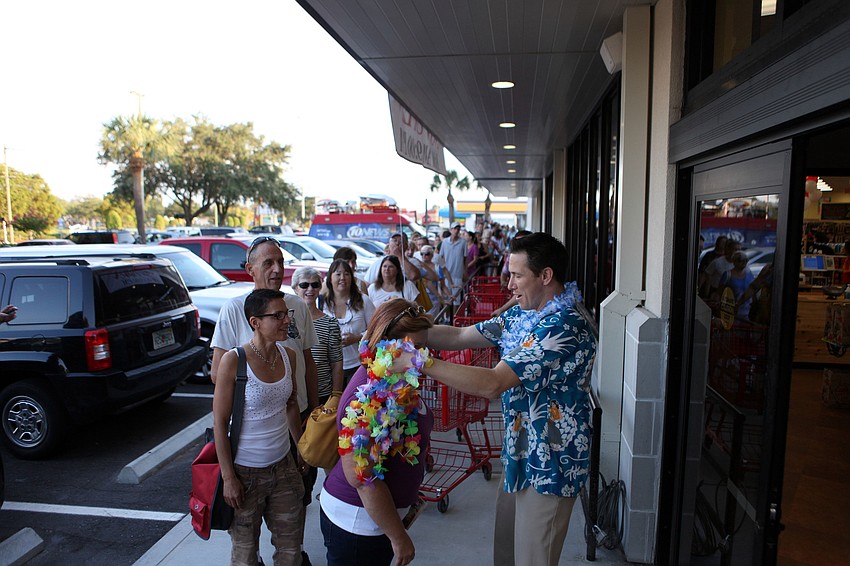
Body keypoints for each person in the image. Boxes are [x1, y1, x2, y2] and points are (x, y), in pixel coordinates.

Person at [393, 232, 597, 566]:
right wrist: (407, 331)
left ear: (545, 276)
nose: (509, 285)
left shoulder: (563, 325)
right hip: (520, 452)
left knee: (533, 559)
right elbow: (460, 335)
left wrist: (420, 362)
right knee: (506, 553)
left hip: (551, 464)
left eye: (517, 275)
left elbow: (493, 383)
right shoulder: (522, 313)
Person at [210, 236, 320, 566]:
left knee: (291, 533)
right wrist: (246, 375)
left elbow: (308, 363)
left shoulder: (295, 309)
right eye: (268, 263)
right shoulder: (234, 312)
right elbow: (219, 389)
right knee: (244, 549)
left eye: (281, 262)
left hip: (290, 435)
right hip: (246, 449)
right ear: (250, 269)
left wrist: (310, 419)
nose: (276, 269)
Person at [319, 298, 436, 566]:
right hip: (357, 527)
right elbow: (360, 476)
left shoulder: (395, 375)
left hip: (375, 523)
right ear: (387, 344)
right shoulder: (367, 397)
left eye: (423, 346)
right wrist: (398, 537)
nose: (423, 356)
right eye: (415, 348)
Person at [292, 267, 344, 406]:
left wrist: (335, 398)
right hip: (294, 396)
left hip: (322, 396)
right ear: (295, 288)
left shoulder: (330, 323)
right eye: (304, 285)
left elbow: (337, 363)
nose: (310, 289)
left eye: (315, 285)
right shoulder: (286, 322)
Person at [323, 259, 376, 385]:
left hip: (358, 365)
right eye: (338, 274)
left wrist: (357, 338)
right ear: (330, 279)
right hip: (329, 367)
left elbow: (377, 329)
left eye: (347, 274)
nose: (342, 278)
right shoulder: (322, 303)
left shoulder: (363, 300)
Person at [719, 250, 755, 321]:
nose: (744, 262)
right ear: (734, 261)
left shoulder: (749, 274)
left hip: (748, 312)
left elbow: (753, 290)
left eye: (746, 260)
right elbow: (720, 292)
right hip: (731, 313)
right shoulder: (727, 275)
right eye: (740, 260)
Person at [436, 222, 467, 300]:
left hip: (458, 274)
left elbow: (465, 258)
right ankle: (449, 313)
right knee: (447, 298)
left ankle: (455, 312)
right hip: (446, 274)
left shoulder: (463, 242)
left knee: (457, 299)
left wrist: (465, 271)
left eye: (458, 229)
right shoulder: (445, 242)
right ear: (451, 230)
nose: (456, 231)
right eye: (454, 229)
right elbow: (441, 257)